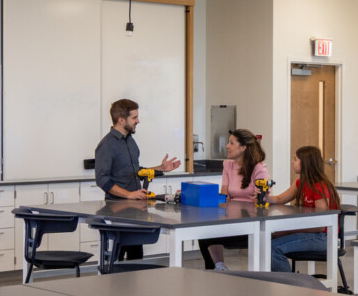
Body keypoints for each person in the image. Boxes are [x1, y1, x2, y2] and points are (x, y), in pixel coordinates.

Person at [94, 98, 181, 259]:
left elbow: (136, 172)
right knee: (117, 257)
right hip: (117, 210)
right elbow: (102, 179)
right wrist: (128, 194)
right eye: (134, 118)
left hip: (135, 209)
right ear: (121, 120)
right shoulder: (106, 145)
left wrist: (160, 168)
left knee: (136, 256)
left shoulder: (130, 142)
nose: (138, 121)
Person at [199, 129, 270, 270]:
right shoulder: (228, 164)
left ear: (243, 148)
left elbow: (261, 200)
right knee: (204, 233)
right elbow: (224, 196)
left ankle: (218, 268)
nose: (227, 146)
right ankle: (218, 267)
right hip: (230, 219)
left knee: (209, 235)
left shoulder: (259, 168)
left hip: (251, 222)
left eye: (231, 143)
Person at [267, 146, 340, 274]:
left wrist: (286, 232)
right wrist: (263, 197)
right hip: (311, 233)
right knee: (264, 242)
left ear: (305, 162)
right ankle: (275, 282)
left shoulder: (319, 186)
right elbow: (279, 199)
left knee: (273, 248)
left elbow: (320, 225)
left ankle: (290, 287)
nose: (292, 162)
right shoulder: (301, 182)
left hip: (323, 237)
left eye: (295, 159)